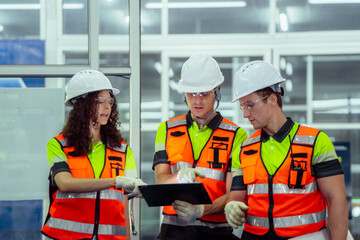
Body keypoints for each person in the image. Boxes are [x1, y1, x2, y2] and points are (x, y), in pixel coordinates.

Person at [225, 60, 348, 240]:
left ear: (273, 99)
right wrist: (231, 205)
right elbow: (236, 195)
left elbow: (336, 200)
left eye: (250, 105)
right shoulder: (244, 149)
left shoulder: (315, 142)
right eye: (242, 106)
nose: (245, 114)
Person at [41, 70, 146, 240]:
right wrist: (115, 181)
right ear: (81, 106)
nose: (107, 107)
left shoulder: (123, 150)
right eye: (99, 102)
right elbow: (65, 183)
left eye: (110, 101)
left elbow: (124, 203)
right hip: (65, 237)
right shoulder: (58, 145)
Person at [152, 54, 248, 240]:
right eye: (191, 94)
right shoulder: (166, 130)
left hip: (216, 232)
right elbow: (161, 180)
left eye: (204, 93)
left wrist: (200, 210)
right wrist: (178, 176)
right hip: (172, 231)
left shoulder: (236, 135)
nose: (197, 100)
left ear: (217, 91)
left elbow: (233, 194)